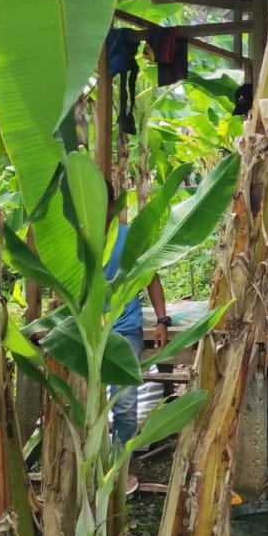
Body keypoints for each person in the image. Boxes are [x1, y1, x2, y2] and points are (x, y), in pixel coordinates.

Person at [104, 182, 169, 494]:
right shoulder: (75, 239)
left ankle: (118, 467)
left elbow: (152, 278)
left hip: (125, 330)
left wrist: (161, 319)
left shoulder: (129, 238)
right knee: (83, 403)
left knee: (126, 404)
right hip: (85, 333)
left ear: (112, 205)